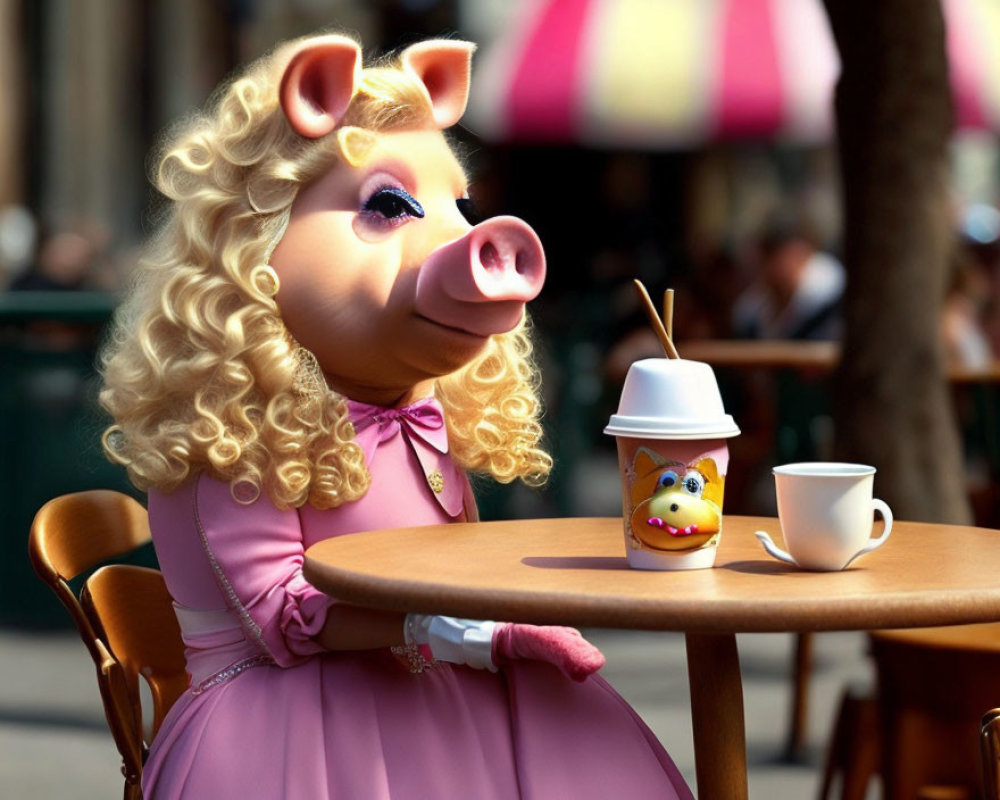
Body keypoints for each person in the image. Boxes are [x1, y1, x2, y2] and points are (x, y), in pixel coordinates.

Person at [98, 33, 691, 799]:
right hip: (286, 716)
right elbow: (285, 616)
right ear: (257, 237)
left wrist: (497, 617)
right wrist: (466, 633)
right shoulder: (233, 422)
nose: (457, 236)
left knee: (586, 744)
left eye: (458, 206)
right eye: (388, 207)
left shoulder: (415, 410)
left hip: (428, 682)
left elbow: (442, 571)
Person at [732, 213, 844, 341]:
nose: (766, 267)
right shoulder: (750, 311)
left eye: (772, 254)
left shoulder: (835, 305)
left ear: (800, 250)